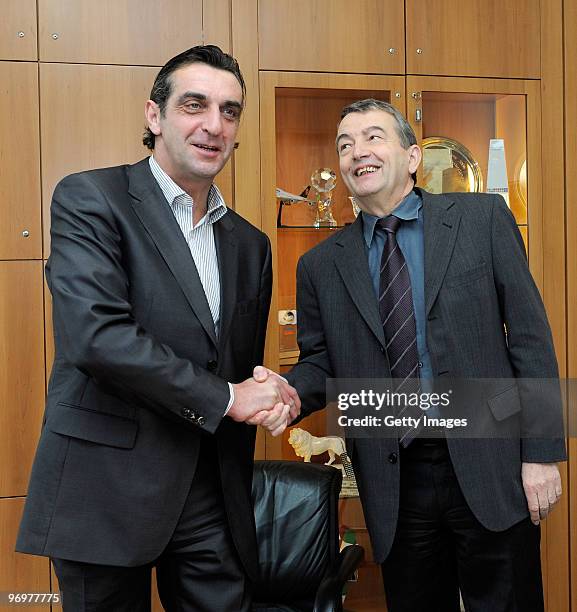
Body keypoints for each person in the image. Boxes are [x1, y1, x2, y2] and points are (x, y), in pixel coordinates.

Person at [16, 45, 299, 611]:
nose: (214, 125)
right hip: (106, 488)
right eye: (195, 105)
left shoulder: (251, 245)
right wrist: (229, 397)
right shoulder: (91, 198)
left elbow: (236, 370)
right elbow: (96, 338)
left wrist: (275, 397)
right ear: (155, 115)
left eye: (229, 110)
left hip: (211, 495)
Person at [276, 99, 565, 611]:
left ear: (412, 157)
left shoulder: (482, 219)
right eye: (345, 144)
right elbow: (320, 363)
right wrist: (283, 393)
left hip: (489, 460)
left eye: (372, 137)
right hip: (396, 476)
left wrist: (540, 453)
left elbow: (529, 337)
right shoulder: (321, 265)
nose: (356, 153)